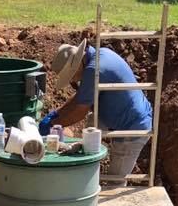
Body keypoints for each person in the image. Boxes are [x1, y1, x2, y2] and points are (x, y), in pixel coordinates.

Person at [39, 39, 153, 184]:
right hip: (122, 116)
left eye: (72, 75)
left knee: (115, 182)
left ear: (77, 64)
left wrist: (53, 124)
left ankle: (97, 185)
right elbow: (80, 97)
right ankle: (86, 153)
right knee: (92, 122)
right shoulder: (99, 55)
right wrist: (55, 114)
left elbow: (80, 112)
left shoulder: (93, 70)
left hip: (132, 126)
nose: (73, 79)